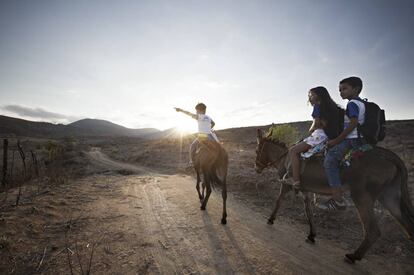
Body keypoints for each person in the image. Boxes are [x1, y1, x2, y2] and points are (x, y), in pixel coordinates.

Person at [318, 76, 366, 211]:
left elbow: (353, 123)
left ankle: (337, 200)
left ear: (356, 89)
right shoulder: (361, 103)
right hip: (359, 138)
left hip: (352, 139)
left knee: (329, 161)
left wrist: (337, 140)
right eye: (339, 90)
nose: (341, 92)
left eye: (344, 89)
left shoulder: (352, 104)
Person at [288, 86, 342, 189]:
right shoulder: (334, 107)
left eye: (311, 95)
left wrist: (311, 129)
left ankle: (296, 181)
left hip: (320, 136)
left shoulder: (317, 106)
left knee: (293, 151)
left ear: (318, 95)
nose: (310, 97)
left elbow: (317, 124)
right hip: (330, 136)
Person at [175, 103, 219, 167]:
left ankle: (191, 162)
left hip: (202, 136)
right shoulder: (209, 117)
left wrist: (180, 110)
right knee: (217, 147)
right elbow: (213, 123)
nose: (196, 112)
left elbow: (188, 113)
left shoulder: (199, 116)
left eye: (197, 110)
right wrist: (209, 128)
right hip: (210, 135)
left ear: (200, 110)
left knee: (192, 146)